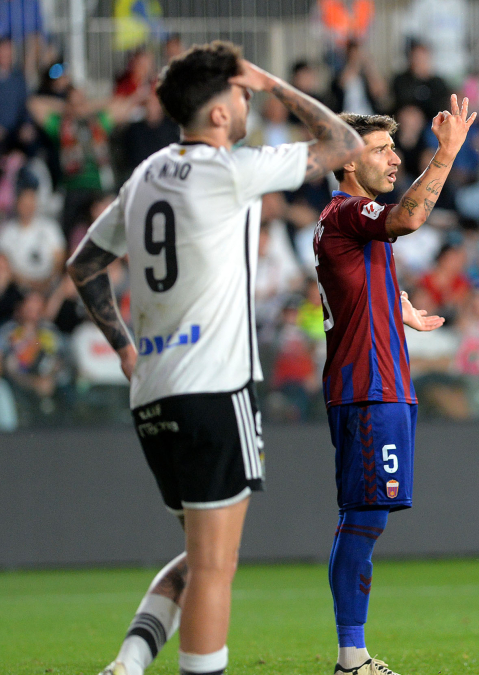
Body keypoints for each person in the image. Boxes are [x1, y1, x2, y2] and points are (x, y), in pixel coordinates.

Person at [67, 41, 363, 675]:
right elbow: (343, 143)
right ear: (220, 114)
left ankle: (128, 661)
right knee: (214, 567)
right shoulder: (229, 169)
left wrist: (124, 346)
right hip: (215, 388)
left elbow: (84, 263)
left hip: (152, 394)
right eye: (241, 91)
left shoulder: (145, 175)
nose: (248, 97)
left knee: (200, 553)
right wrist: (277, 81)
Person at [316, 102, 474, 674]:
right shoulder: (349, 212)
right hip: (367, 387)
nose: (393, 156)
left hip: (383, 385)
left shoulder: (352, 224)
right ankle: (351, 658)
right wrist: (448, 153)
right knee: (361, 516)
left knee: (369, 517)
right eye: (381, 148)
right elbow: (407, 219)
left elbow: (358, 279)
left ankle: (352, 654)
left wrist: (395, 308)